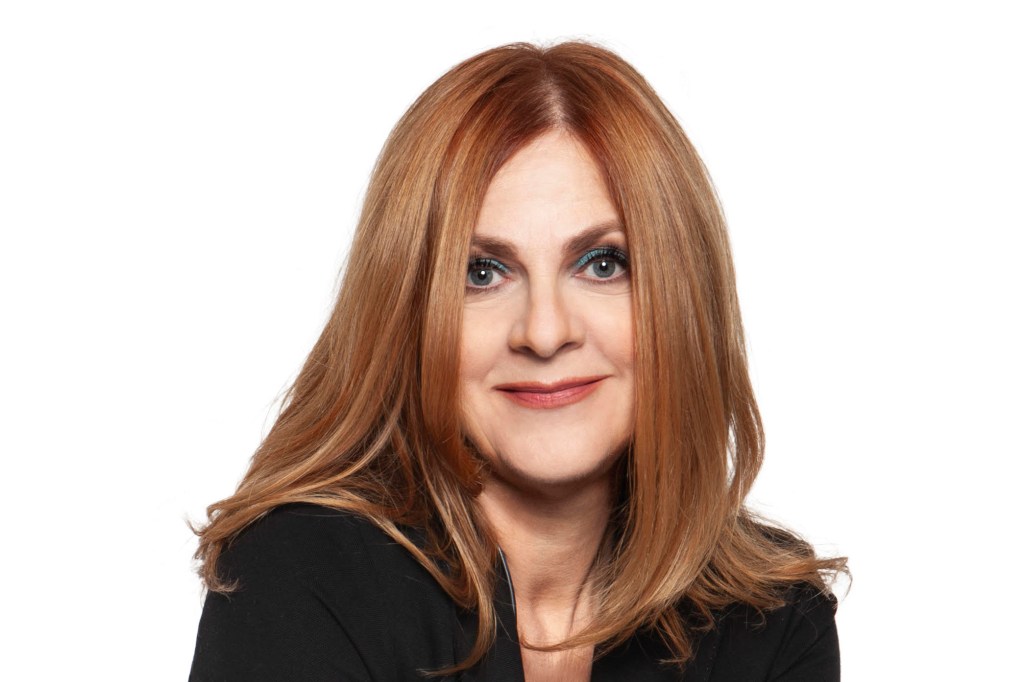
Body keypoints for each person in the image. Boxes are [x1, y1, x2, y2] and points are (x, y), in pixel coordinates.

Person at [189, 41, 847, 681]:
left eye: (603, 263)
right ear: (407, 313)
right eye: (481, 273)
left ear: (681, 299)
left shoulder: (772, 619)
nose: (545, 332)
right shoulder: (304, 575)